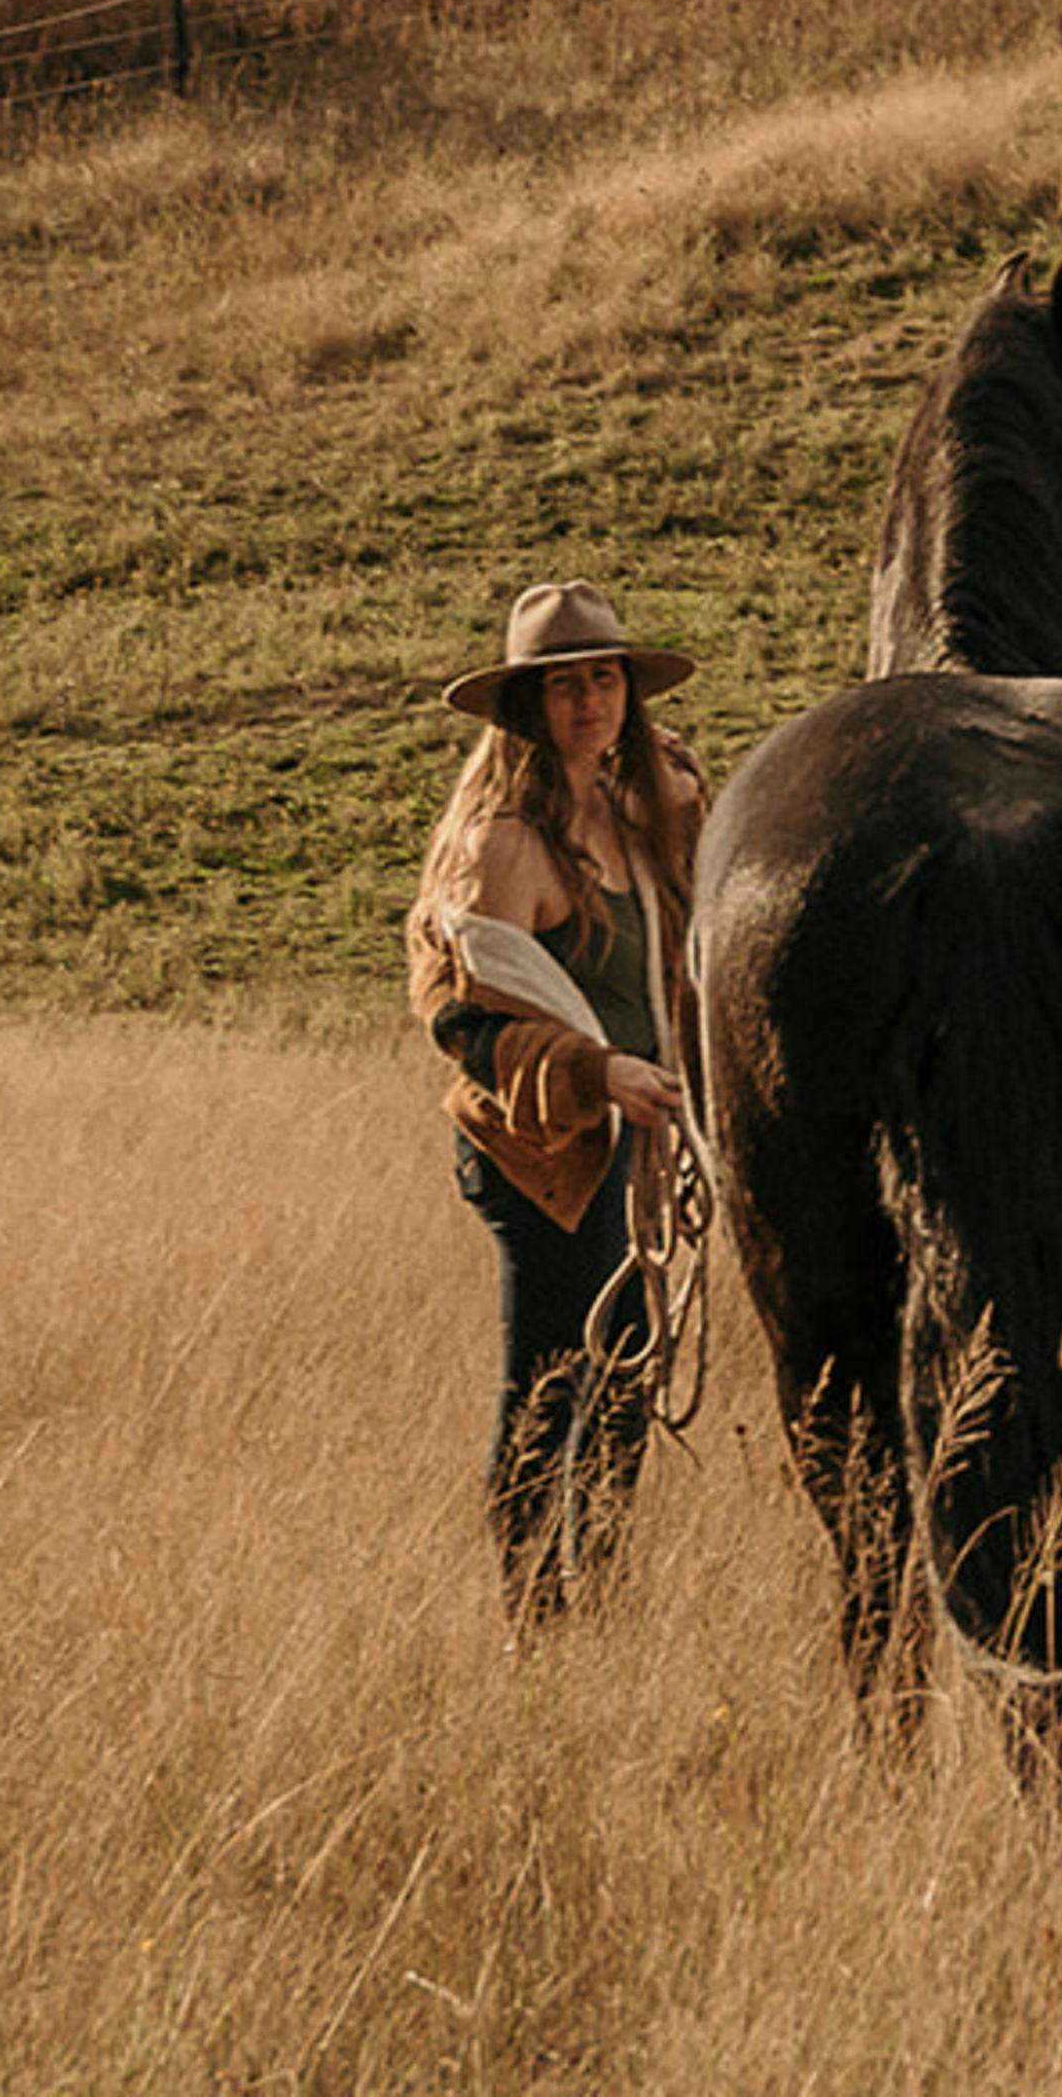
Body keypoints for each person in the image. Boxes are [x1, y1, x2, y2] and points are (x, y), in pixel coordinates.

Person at [403, 581, 711, 1633]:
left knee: (625, 1385)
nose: (591, 702)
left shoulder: (647, 811)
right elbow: (462, 1021)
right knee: (549, 1387)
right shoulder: (504, 845)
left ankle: (605, 1605)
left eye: (604, 677)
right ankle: (537, 1625)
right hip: (542, 1149)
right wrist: (595, 1075)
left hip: (634, 1139)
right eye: (565, 685)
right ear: (527, 706)